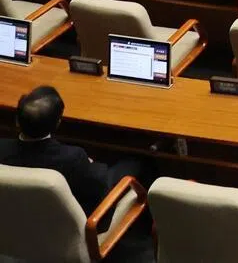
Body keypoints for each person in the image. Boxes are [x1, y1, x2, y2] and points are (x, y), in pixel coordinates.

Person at [0, 86, 136, 215]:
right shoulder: (73, 157)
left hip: (11, 220)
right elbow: (97, 189)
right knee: (133, 163)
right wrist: (91, 165)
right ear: (58, 123)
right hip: (65, 224)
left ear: (17, 121)